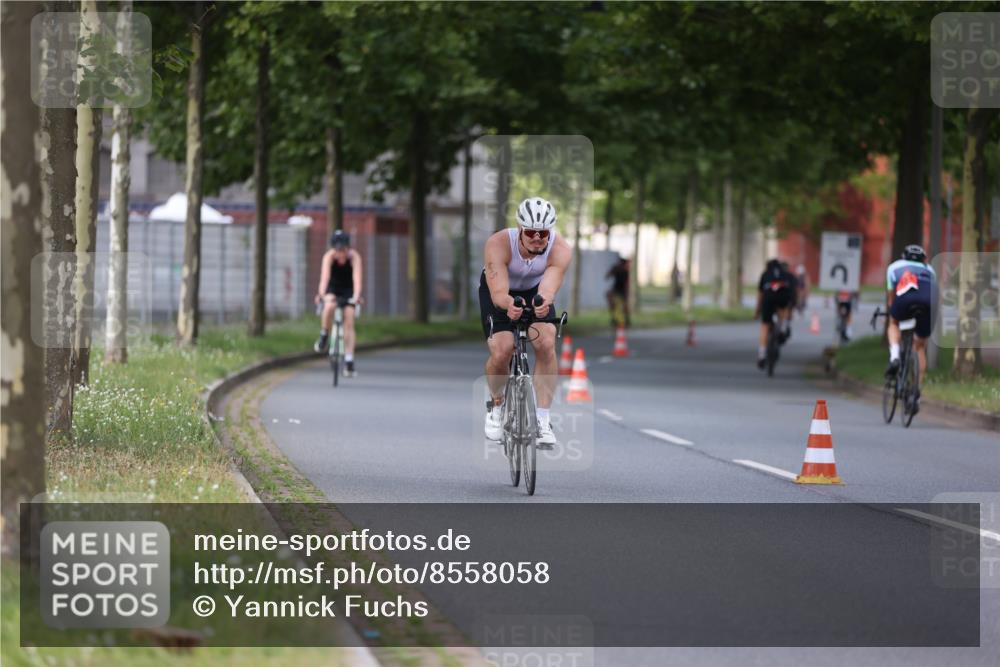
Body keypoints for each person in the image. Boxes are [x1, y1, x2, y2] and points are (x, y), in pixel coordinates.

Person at [481, 197, 572, 449]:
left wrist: (544, 303)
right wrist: (509, 305)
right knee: (502, 350)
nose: (537, 238)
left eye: (543, 233)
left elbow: (548, 288)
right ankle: (496, 405)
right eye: (531, 232)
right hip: (499, 290)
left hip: (535, 290)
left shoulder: (561, 249)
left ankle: (542, 420)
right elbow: (499, 294)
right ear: (520, 228)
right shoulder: (499, 243)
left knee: (546, 341)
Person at [885, 244, 936, 409]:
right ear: (924, 260)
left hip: (904, 301)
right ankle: (916, 392)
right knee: (920, 346)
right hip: (927, 304)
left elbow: (891, 298)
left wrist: (892, 311)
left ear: (903, 257)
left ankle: (894, 357)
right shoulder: (930, 270)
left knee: (893, 322)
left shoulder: (894, 267)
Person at [314, 230, 363, 377]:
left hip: (348, 289)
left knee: (349, 318)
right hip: (333, 288)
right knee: (329, 306)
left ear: (348, 248)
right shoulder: (329, 257)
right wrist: (322, 295)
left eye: (343, 250)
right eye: (338, 250)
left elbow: (357, 280)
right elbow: (324, 279)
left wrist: (356, 296)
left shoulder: (354, 258)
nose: (341, 254)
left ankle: (349, 360)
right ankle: (324, 334)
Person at [754, 258, 798, 369]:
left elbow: (760, 294)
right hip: (783, 296)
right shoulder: (787, 275)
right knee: (783, 308)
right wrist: (792, 308)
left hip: (768, 297)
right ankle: (782, 328)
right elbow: (793, 293)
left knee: (765, 326)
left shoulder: (765, 274)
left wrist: (757, 311)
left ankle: (762, 355)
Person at [605, 256, 631, 327]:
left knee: (621, 306)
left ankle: (623, 320)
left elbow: (627, 284)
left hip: (620, 292)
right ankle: (617, 319)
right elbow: (607, 276)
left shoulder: (624, 271)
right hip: (617, 291)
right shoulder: (619, 269)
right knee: (616, 305)